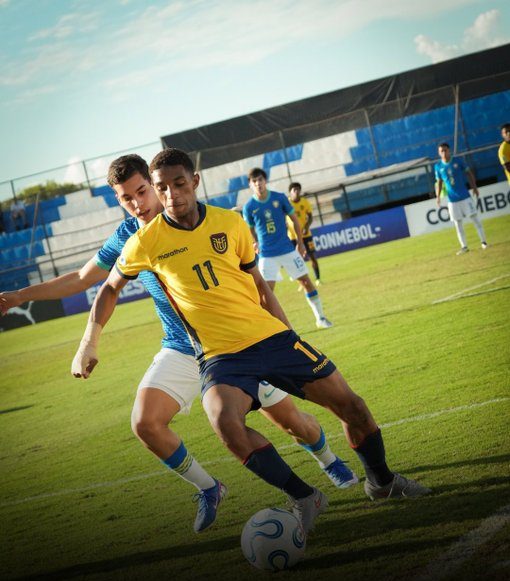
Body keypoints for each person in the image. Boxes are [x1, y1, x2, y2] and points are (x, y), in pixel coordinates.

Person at [73, 148, 430, 534]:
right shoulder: (144, 242)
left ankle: (382, 482)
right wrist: (89, 342)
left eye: (179, 184)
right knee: (225, 422)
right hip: (221, 356)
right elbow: (108, 288)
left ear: (194, 182)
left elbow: (258, 284)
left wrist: (288, 332)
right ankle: (304, 496)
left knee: (352, 407)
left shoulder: (231, 222)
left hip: (270, 338)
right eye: (162, 188)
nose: (172, 194)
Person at [1, 155, 357, 531]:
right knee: (145, 423)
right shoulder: (129, 237)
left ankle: (329, 460)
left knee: (293, 423)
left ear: (155, 185)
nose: (137, 203)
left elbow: (253, 281)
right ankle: (212, 488)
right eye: (126, 198)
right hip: (182, 348)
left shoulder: (200, 217)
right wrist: (21, 297)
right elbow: (83, 278)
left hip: (238, 342)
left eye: (142, 191)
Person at [242, 168, 332, 329]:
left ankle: (321, 318)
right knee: (266, 293)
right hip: (267, 255)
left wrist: (300, 243)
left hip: (287, 250)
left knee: (306, 282)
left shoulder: (279, 198)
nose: (258, 183)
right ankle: (271, 329)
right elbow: (249, 229)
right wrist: (254, 242)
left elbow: (295, 220)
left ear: (265, 181)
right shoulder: (249, 206)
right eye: (254, 181)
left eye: (260, 180)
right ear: (250, 184)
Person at [434, 143, 488, 255]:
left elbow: (469, 173)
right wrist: (438, 197)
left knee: (475, 219)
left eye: (445, 150)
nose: (444, 153)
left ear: (449, 150)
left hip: (465, 197)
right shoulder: (438, 166)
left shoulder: (458, 161)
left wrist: (474, 187)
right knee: (458, 224)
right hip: (452, 200)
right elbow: (439, 182)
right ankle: (464, 247)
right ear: (439, 153)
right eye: (441, 151)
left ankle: (484, 242)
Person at [286, 182, 321, 285]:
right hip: (292, 236)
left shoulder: (305, 202)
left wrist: (306, 227)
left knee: (312, 256)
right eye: (294, 190)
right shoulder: (286, 203)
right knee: (295, 259)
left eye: (298, 189)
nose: (296, 192)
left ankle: (318, 279)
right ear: (290, 192)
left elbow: (310, 217)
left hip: (306, 235)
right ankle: (302, 282)